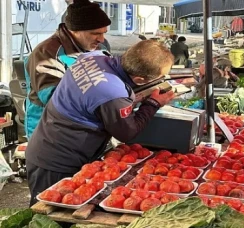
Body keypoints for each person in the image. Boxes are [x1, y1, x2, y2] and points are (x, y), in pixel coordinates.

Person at [25, 40, 175, 206]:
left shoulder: (93, 57)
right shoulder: (113, 94)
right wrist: (153, 103)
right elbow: (127, 132)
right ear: (139, 79)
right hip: (56, 161)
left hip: (48, 144)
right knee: (48, 217)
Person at [24, 0, 111, 140]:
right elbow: (55, 99)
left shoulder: (99, 48)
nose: (101, 39)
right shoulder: (47, 54)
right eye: (95, 33)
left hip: (85, 129)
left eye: (104, 33)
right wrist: (102, 103)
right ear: (74, 30)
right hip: (50, 133)